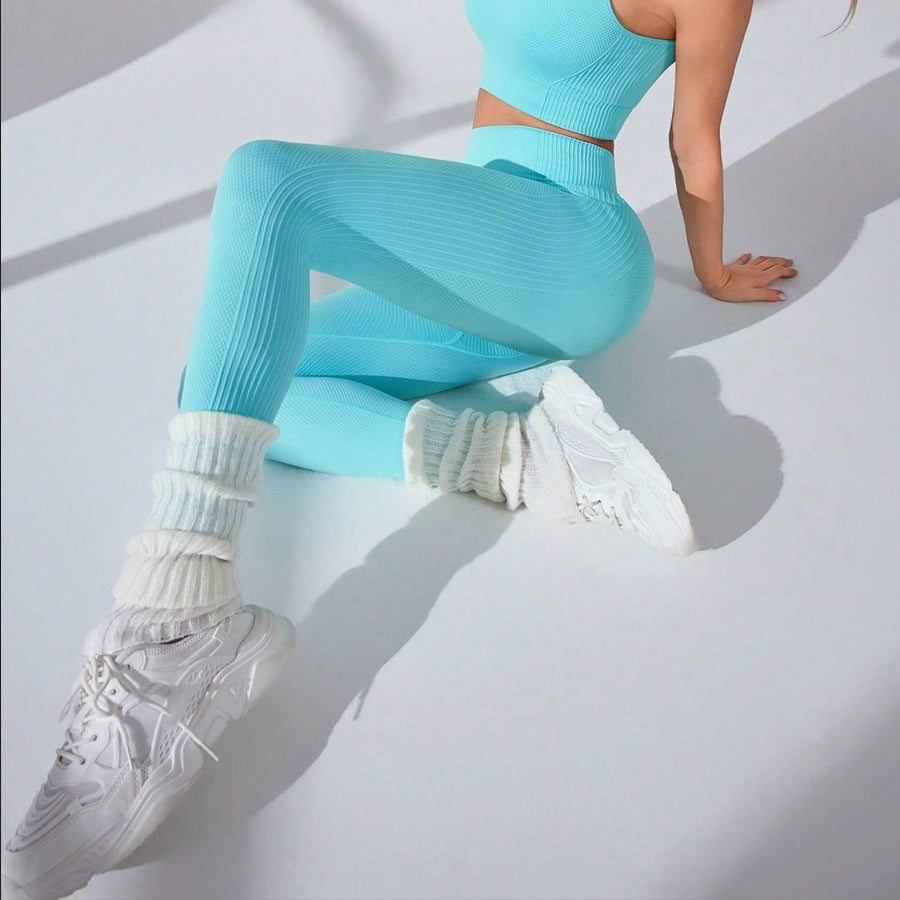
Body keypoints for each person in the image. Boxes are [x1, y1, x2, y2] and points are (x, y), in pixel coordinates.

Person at [7, 0, 857, 895]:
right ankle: (513, 456)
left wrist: (714, 273)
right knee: (225, 382)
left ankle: (171, 617)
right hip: (474, 250)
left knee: (267, 180)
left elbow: (693, 137)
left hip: (568, 254)